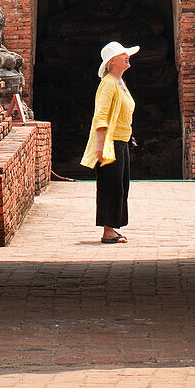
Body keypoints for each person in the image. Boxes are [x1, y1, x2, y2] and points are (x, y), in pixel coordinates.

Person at [80, 40, 139, 244]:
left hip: (121, 141)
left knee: (120, 186)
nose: (127, 57)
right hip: (110, 143)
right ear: (112, 61)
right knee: (111, 186)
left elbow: (122, 114)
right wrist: (100, 146)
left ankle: (112, 227)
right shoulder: (107, 83)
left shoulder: (120, 83)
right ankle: (108, 231)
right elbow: (101, 116)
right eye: (123, 55)